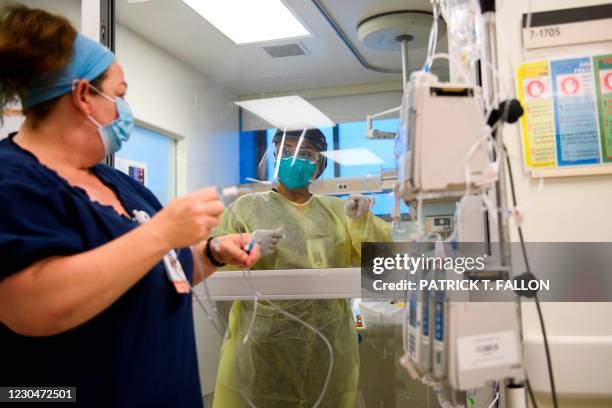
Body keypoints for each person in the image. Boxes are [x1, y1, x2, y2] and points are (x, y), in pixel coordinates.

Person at [0, 5, 260, 407]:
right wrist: (161, 233)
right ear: (84, 95)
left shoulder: (115, 182)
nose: (126, 111)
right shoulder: (13, 181)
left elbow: (160, 270)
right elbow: (29, 305)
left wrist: (211, 253)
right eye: (119, 95)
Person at [212, 128, 392, 407]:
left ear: (319, 166)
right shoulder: (244, 209)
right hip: (262, 349)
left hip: (329, 351)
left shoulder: (339, 212)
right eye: (286, 152)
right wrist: (244, 248)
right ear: (275, 157)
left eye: (305, 154)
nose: (293, 159)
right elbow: (210, 266)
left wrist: (362, 222)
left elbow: (384, 266)